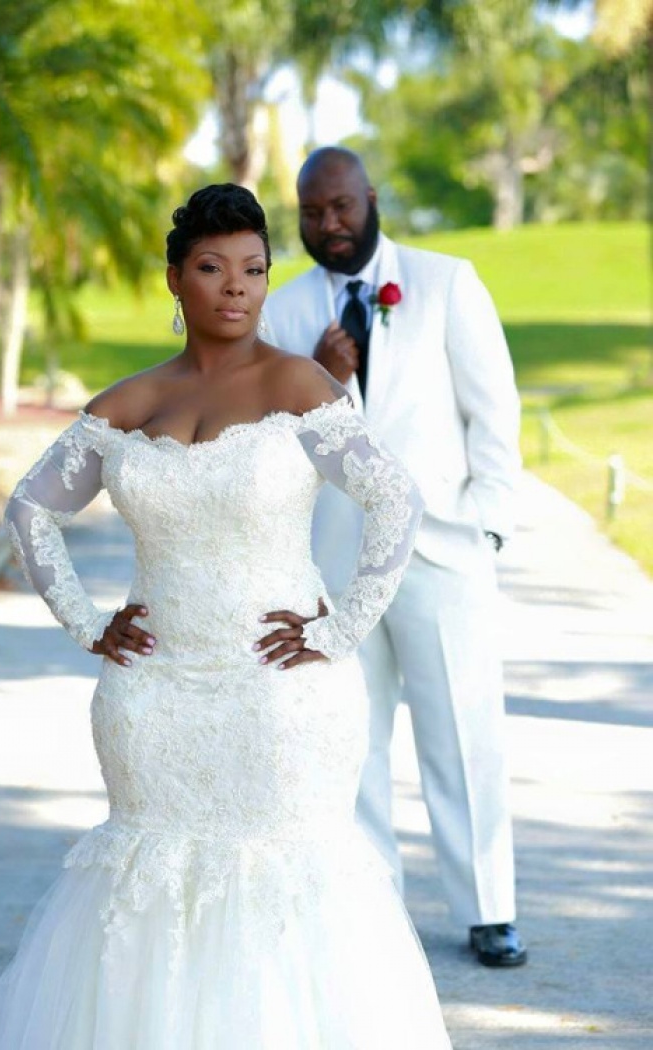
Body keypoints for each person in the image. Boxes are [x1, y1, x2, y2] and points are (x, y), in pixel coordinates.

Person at [0, 184, 452, 1049]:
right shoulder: (127, 404)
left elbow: (395, 502)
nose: (237, 287)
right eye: (213, 268)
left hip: (279, 696)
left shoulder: (299, 384)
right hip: (152, 701)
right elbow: (30, 510)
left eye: (254, 269)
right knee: (146, 883)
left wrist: (338, 630)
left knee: (286, 882)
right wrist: (85, 621)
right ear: (175, 280)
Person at [263, 147, 527, 968]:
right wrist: (318, 375)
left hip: (442, 550)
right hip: (337, 569)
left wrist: (487, 526)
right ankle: (376, 907)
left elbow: (495, 412)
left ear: (370, 198)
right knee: (354, 738)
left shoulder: (448, 282)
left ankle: (489, 909)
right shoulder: (283, 312)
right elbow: (268, 442)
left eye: (339, 207)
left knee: (462, 728)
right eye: (312, 213)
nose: (329, 226)